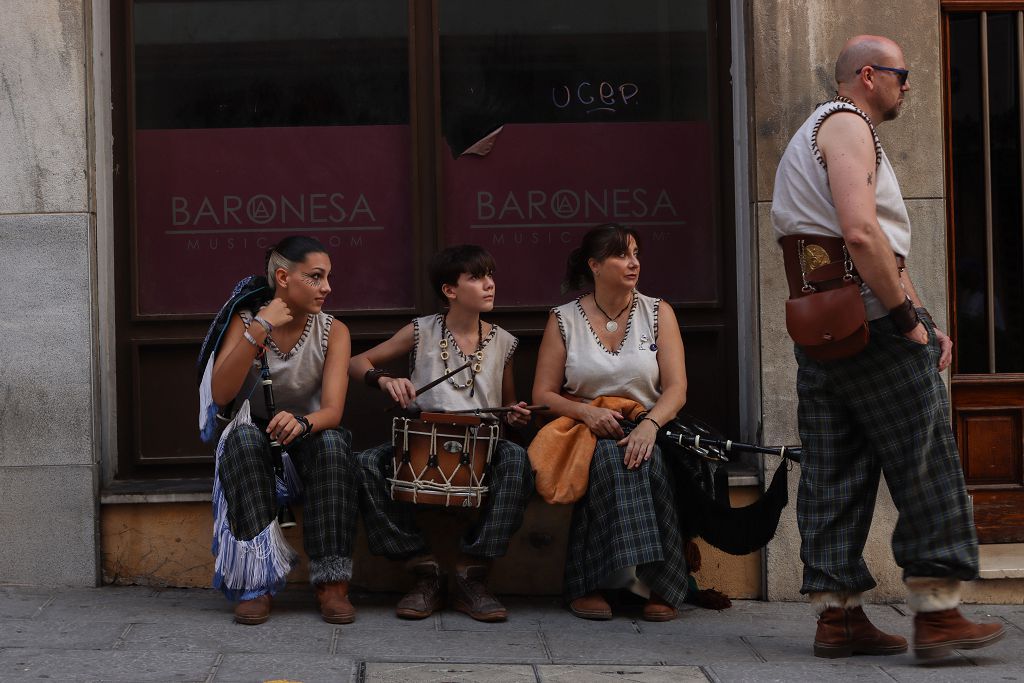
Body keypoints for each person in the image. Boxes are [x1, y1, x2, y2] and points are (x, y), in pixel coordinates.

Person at [771, 35, 1005, 660]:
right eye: (902, 75)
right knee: (925, 460)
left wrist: (925, 313)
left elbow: (863, 245)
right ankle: (937, 612)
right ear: (867, 75)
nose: (909, 86)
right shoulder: (848, 125)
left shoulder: (811, 132)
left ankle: (838, 618)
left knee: (834, 466)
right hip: (873, 321)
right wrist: (908, 320)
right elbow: (861, 231)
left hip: (823, 323)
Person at [349, 244, 533, 622]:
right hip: (422, 439)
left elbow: (509, 408)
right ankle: (423, 569)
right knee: (366, 464)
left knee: (516, 460)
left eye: (490, 276)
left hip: (483, 444)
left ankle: (472, 574)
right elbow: (356, 362)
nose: (489, 285)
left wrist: (516, 417)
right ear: (450, 290)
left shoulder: (503, 341)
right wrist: (384, 380)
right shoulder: (421, 330)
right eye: (477, 277)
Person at [532, 222, 689, 621]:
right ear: (595, 265)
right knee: (606, 459)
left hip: (649, 422)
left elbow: (676, 389)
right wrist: (587, 412)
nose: (633, 263)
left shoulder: (658, 312)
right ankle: (642, 581)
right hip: (585, 426)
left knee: (643, 457)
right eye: (622, 255)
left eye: (636, 253)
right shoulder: (563, 318)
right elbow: (543, 396)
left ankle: (620, 582)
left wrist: (651, 427)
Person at [205, 236, 358, 625]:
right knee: (241, 439)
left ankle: (332, 583)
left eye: (328, 277)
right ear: (283, 278)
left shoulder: (333, 330)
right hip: (253, 441)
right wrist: (259, 329)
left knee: (334, 444)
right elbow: (221, 394)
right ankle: (255, 583)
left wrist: (303, 422)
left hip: (306, 438)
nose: (327, 287)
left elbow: (333, 411)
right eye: (316, 277)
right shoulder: (244, 322)